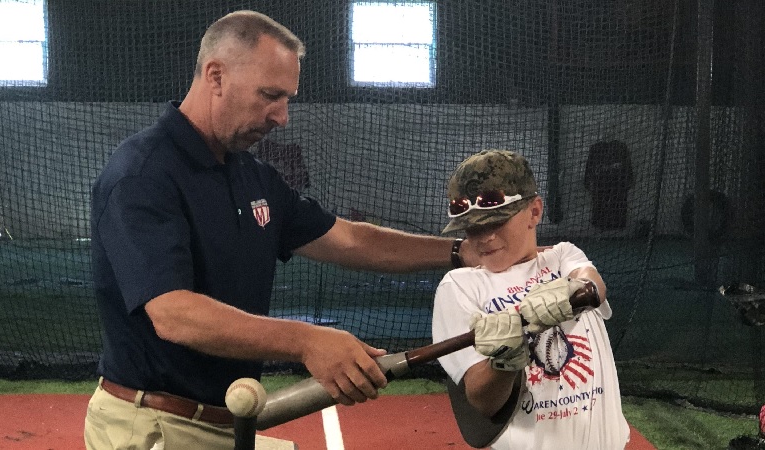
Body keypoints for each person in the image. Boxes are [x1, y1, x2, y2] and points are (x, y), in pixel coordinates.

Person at [84, 10, 476, 450]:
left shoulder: (250, 174)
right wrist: (308, 341)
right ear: (215, 76)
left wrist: (463, 252)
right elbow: (175, 315)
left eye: (287, 98)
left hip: (229, 422)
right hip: (156, 427)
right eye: (270, 95)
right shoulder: (143, 174)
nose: (282, 116)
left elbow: (349, 239)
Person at [432, 149, 629, 449]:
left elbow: (594, 286)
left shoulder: (562, 257)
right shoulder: (459, 286)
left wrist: (569, 290)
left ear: (534, 212)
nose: (483, 237)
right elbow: (483, 402)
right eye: (472, 227)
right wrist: (505, 361)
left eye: (495, 223)